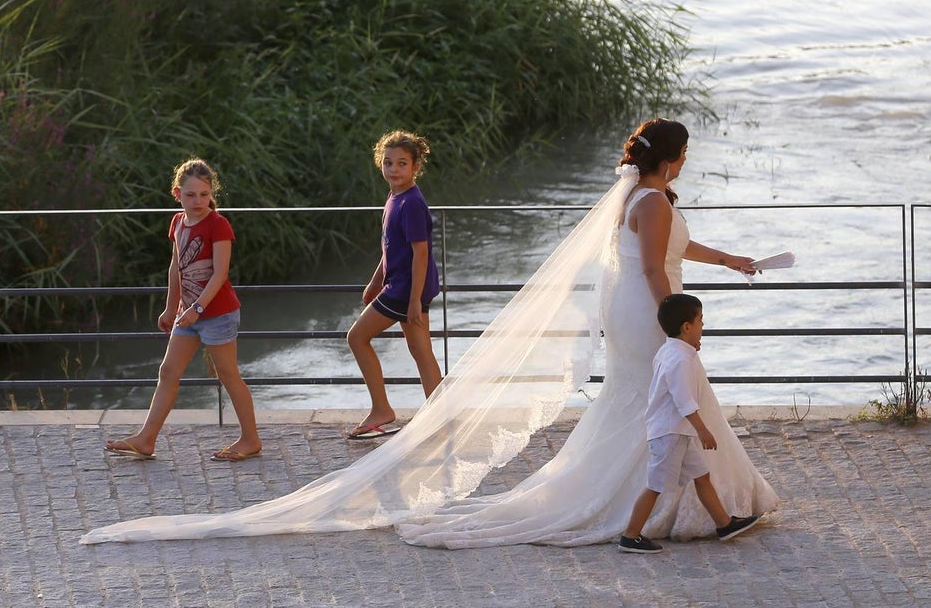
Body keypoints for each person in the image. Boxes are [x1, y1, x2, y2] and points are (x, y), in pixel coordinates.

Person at [80, 118, 777, 545]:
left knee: (642, 403)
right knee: (656, 400)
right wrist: (678, 327)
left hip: (631, 310)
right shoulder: (651, 201)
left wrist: (733, 259)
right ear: (674, 159)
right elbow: (658, 269)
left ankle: (662, 502)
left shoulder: (638, 196)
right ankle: (650, 508)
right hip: (648, 312)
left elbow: (677, 249)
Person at [103, 158, 262, 462]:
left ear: (211, 193)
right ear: (177, 194)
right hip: (187, 314)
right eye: (191, 195)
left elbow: (220, 274)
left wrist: (198, 307)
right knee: (168, 371)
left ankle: (250, 439)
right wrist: (170, 308)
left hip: (217, 313)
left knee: (229, 376)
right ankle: (146, 439)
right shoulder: (177, 222)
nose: (198, 201)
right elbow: (176, 267)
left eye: (204, 194)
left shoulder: (218, 224)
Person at [619, 294, 760, 554]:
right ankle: (631, 535)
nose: (703, 326)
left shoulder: (672, 350)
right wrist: (703, 430)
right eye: (701, 321)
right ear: (687, 327)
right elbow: (683, 400)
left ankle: (724, 524)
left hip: (677, 432)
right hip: (670, 432)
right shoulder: (680, 360)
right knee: (655, 486)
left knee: (702, 476)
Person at [345, 131, 444, 440]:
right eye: (388, 163)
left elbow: (421, 252)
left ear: (415, 167)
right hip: (402, 285)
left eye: (402, 163)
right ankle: (440, 415)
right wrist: (375, 281)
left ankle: (381, 409)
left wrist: (414, 300)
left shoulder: (412, 202)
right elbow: (391, 248)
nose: (394, 169)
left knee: (357, 337)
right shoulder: (395, 197)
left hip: (405, 289)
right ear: (381, 165)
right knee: (421, 350)